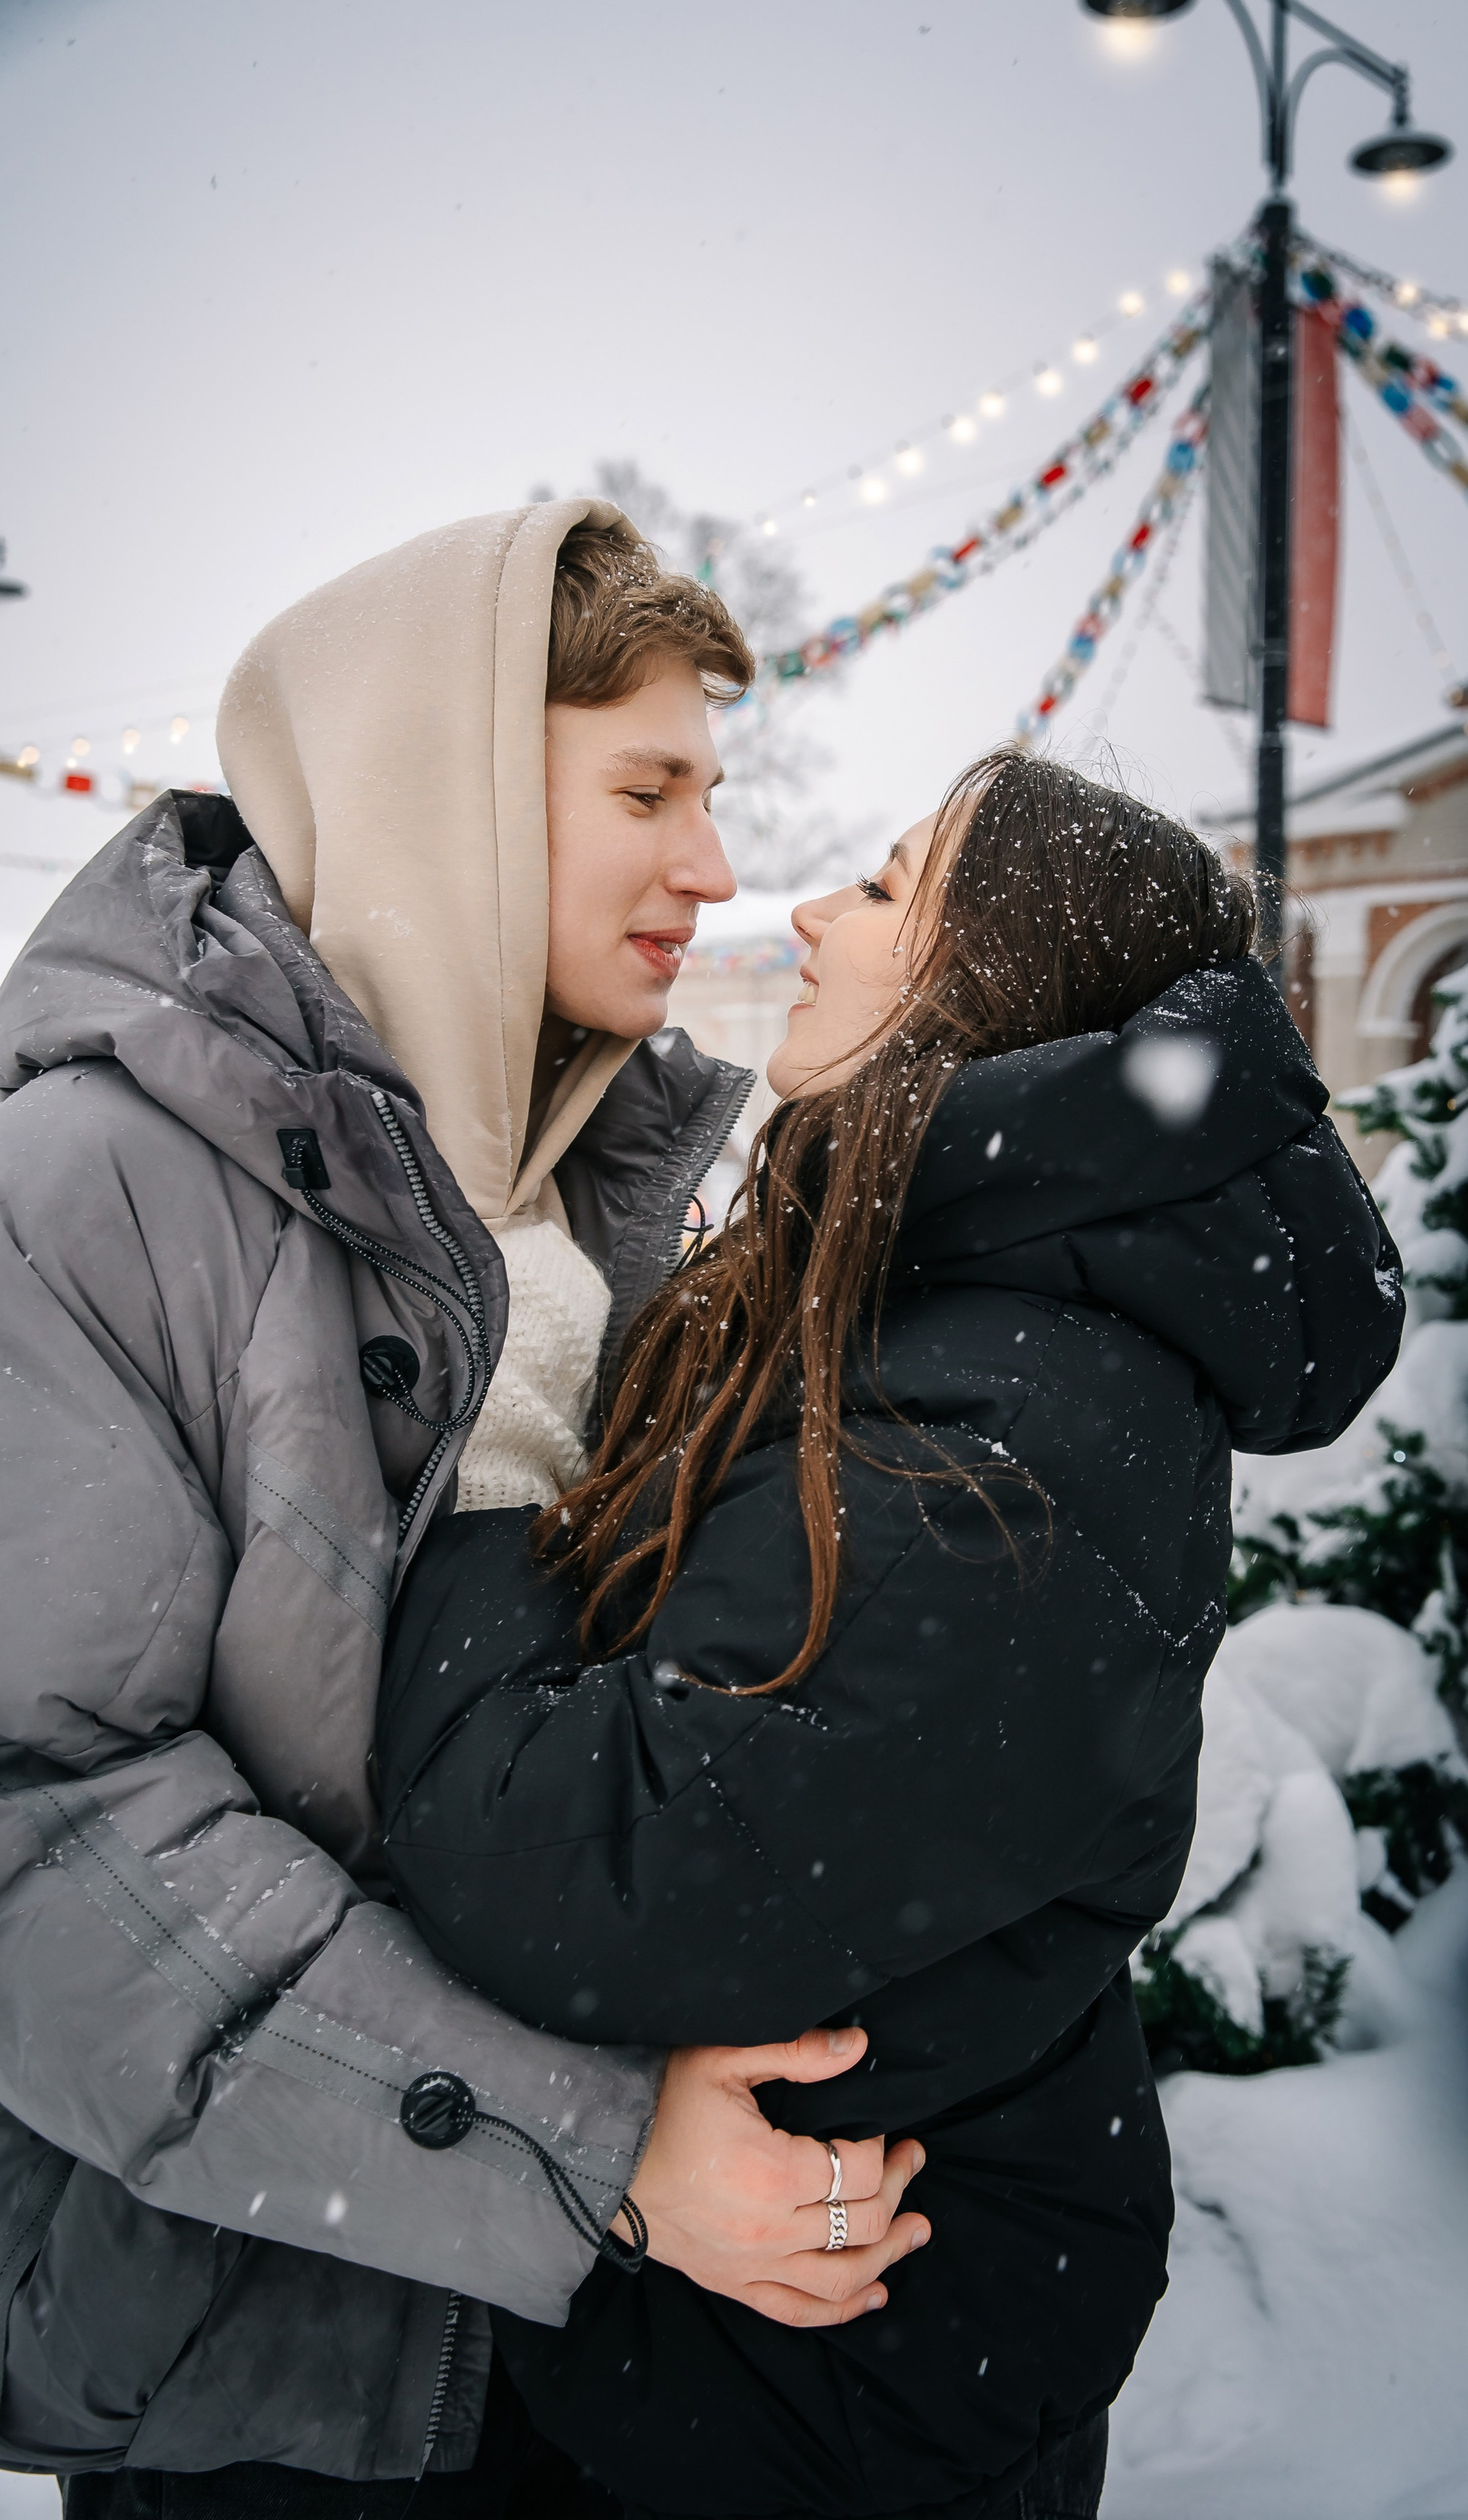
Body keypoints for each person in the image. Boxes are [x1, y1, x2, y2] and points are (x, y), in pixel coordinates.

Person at [0, 501, 926, 2513]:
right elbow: (45, 1830)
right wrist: (585, 2140)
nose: (714, 863)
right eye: (648, 789)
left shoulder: (605, 1206)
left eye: (715, 791)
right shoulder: (91, 1184)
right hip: (263, 2358)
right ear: (456, 798)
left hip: (587, 2356)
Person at [377, 747, 1407, 2520]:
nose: (800, 912)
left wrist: (482, 1500)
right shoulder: (964, 1310)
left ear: (983, 983)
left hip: (820, 2394)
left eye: (877, 887)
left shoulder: (1003, 1438)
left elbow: (612, 1869)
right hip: (818, 2362)